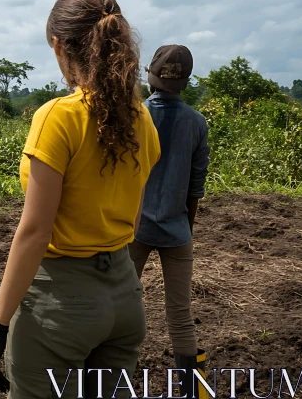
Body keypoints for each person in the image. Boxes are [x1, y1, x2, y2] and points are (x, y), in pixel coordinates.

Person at [0, 0, 162, 398]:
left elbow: (35, 231)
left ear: (61, 47)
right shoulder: (141, 118)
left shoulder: (57, 117)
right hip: (125, 299)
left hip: (61, 307)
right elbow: (132, 220)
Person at [130, 44, 211, 398]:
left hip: (133, 230)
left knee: (121, 305)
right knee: (180, 315)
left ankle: (110, 383)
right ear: (185, 84)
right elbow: (196, 184)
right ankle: (195, 391)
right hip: (178, 230)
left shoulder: (136, 116)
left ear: (151, 79)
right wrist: (185, 228)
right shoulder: (196, 122)